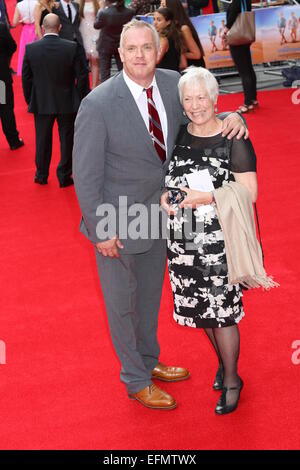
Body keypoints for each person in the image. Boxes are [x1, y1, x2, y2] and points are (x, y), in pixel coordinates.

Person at [72, 19, 248, 410]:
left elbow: (205, 112)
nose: (139, 55)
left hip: (164, 218)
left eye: (146, 48)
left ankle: (149, 361)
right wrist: (101, 230)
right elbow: (85, 174)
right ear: (119, 53)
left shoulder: (174, 85)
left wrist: (238, 117)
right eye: (131, 49)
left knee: (150, 298)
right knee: (122, 305)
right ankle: (135, 378)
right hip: (118, 220)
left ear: (159, 50)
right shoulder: (97, 103)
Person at [161, 66, 258, 414]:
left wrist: (204, 197)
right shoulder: (179, 133)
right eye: (188, 98)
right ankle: (223, 362)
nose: (196, 105)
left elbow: (249, 192)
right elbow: (166, 177)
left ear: (216, 98)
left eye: (202, 97)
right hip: (183, 243)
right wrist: (165, 196)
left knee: (223, 313)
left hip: (220, 243)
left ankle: (233, 379)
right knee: (201, 310)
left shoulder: (234, 136)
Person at [22, 13, 88, 186]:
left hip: (42, 101)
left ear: (43, 28)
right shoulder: (72, 47)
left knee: (42, 139)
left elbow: (26, 79)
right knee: (67, 140)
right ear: (60, 27)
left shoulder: (31, 48)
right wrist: (81, 98)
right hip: (67, 101)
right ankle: (64, 176)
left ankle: (41, 174)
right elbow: (82, 76)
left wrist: (30, 99)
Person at [223, 0, 258, 113]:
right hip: (245, 36)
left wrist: (225, 31)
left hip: (237, 37)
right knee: (248, 68)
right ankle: (253, 99)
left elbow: (232, 15)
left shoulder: (237, 1)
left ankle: (248, 103)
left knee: (244, 71)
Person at [94, 0, 133, 83]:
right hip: (121, 44)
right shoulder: (129, 12)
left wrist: (101, 9)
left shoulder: (104, 13)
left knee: (104, 73)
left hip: (105, 45)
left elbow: (96, 25)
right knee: (123, 71)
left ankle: (106, 93)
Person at [0, 22, 24, 150]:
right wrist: (5, 59)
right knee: (4, 108)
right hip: (1, 79)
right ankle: (13, 140)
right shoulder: (1, 27)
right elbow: (12, 46)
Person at [161, 0, 205, 68]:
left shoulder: (184, 28)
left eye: (163, 6)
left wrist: (179, 54)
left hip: (193, 69)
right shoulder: (168, 27)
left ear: (171, 8)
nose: (160, 8)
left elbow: (196, 54)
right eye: (160, 5)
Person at [153, 7, 186, 72]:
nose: (155, 23)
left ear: (168, 22)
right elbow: (183, 64)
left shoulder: (163, 39)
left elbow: (156, 60)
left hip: (163, 77)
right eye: (154, 19)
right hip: (174, 75)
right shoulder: (175, 36)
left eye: (159, 20)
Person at [78, 0, 100, 89]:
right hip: (83, 32)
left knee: (94, 59)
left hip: (95, 33)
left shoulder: (98, 3)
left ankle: (94, 86)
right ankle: (86, 87)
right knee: (85, 60)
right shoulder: (79, 3)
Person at [12, 0, 37, 76]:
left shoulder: (19, 5)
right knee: (37, 51)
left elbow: (14, 22)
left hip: (26, 30)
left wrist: (22, 20)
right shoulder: (38, 2)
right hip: (36, 28)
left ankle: (26, 72)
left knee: (25, 52)